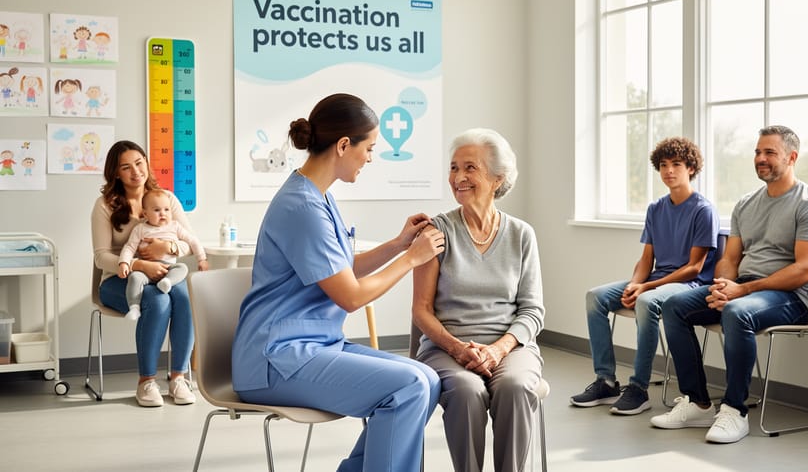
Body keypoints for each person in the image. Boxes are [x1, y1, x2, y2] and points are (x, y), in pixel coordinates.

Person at [231, 93, 445, 472]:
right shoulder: (302, 206)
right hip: (275, 359)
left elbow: (343, 269)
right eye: (370, 148)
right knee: (408, 386)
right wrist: (413, 259)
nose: (371, 157)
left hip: (312, 345)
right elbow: (350, 296)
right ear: (344, 145)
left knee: (427, 380)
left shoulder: (318, 196)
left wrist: (398, 245)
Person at [651, 125, 808, 444]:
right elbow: (730, 258)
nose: (760, 158)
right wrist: (724, 283)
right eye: (757, 152)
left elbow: (805, 270)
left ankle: (735, 410)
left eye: (770, 152)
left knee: (737, 312)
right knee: (673, 306)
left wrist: (742, 291)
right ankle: (698, 403)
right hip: (743, 290)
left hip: (789, 298)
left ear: (792, 157)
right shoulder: (746, 203)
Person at [412, 128, 545, 472]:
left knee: (516, 387)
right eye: (454, 168)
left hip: (511, 347)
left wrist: (499, 349)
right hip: (446, 349)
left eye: (470, 168)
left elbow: (532, 311)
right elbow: (421, 311)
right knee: (467, 391)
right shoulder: (435, 232)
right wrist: (458, 348)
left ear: (498, 178)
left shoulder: (521, 235)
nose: (458, 177)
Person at [570, 137, 720, 415]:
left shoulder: (703, 210)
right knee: (595, 298)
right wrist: (636, 282)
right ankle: (605, 380)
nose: (669, 171)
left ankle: (638, 389)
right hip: (655, 280)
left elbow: (694, 268)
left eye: (676, 164)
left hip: (687, 285)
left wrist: (646, 287)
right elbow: (646, 259)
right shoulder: (655, 209)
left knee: (646, 302)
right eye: (663, 165)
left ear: (691, 168)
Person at [91, 140, 201, 407]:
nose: (135, 171)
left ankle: (178, 378)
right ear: (116, 173)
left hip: (165, 273)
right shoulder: (105, 205)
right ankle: (146, 382)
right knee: (157, 300)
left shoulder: (166, 199)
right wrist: (140, 265)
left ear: (147, 163)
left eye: (139, 163)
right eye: (126, 167)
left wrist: (169, 246)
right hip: (118, 280)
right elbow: (101, 256)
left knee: (186, 297)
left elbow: (189, 242)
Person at [117, 188, 209, 321]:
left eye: (167, 210)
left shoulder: (174, 226)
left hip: (168, 269)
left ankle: (167, 282)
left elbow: (192, 241)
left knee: (182, 268)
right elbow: (129, 247)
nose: (163, 214)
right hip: (146, 270)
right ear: (145, 214)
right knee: (135, 278)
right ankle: (134, 308)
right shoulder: (140, 229)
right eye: (157, 210)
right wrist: (124, 262)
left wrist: (202, 259)